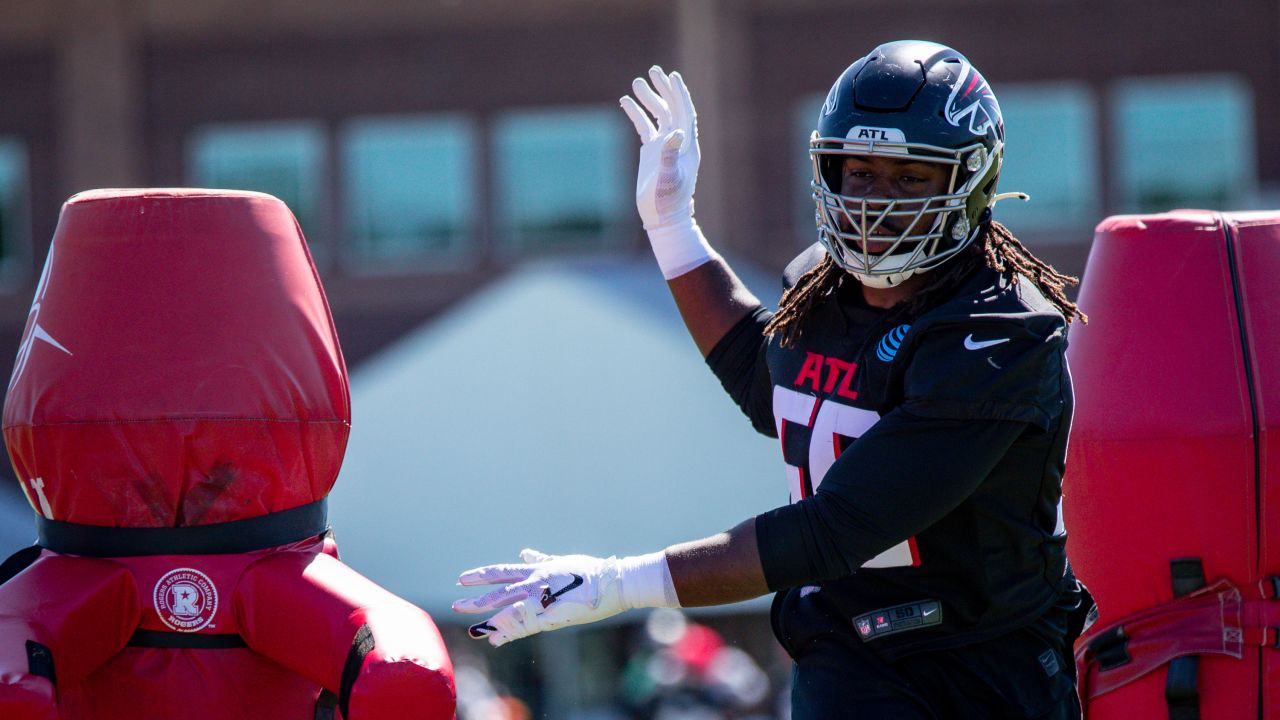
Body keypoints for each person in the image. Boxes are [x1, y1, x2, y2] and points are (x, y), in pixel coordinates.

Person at [454, 40, 1086, 718]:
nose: (876, 203)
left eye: (909, 178)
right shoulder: (819, 286)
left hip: (981, 666)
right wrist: (672, 228)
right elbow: (774, 390)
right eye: (860, 173)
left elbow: (836, 529)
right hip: (849, 651)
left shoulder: (996, 331)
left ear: (972, 181)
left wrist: (619, 585)